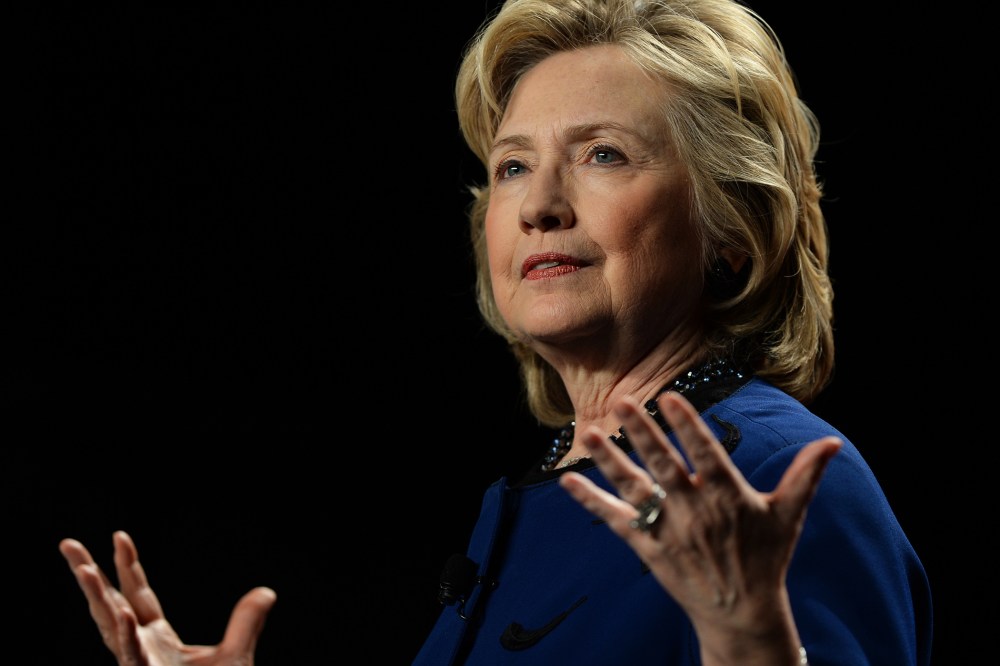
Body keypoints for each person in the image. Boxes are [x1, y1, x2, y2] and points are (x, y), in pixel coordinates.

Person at [59, 0, 933, 664]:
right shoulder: (539, 491)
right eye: (514, 166)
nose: (540, 207)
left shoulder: (782, 483)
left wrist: (753, 646)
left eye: (603, 155)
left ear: (731, 226)